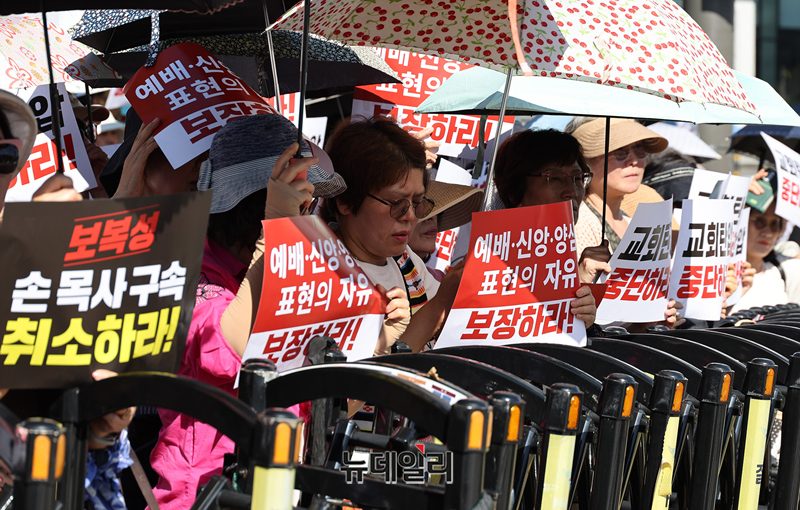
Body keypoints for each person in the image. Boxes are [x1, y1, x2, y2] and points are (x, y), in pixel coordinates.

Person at [148, 113, 355, 510]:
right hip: (205, 497)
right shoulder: (189, 271)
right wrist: (274, 232)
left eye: (308, 203)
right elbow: (228, 351)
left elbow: (317, 399)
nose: (307, 215)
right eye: (299, 203)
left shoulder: (288, 272)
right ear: (249, 206)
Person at [493, 128, 684, 330]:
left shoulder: (571, 256)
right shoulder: (489, 256)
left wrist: (647, 324)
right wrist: (577, 284)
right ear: (515, 189)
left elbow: (595, 342)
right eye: (555, 178)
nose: (572, 191)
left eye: (578, 178)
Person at [322, 116, 456, 354]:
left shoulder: (404, 260)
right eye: (396, 203)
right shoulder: (322, 273)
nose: (410, 216)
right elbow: (359, 375)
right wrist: (440, 304)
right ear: (345, 201)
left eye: (417, 202)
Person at [568, 117, 668, 257]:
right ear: (585, 162)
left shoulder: (628, 220)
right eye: (619, 150)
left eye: (639, 148)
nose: (634, 161)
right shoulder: (579, 223)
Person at [728, 177, 800, 313]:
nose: (767, 233)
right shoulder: (718, 278)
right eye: (759, 221)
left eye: (775, 223)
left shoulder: (791, 270)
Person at [407, 180, 483, 281]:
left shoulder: (440, 279)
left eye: (437, 211)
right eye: (419, 208)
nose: (432, 217)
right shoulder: (387, 275)